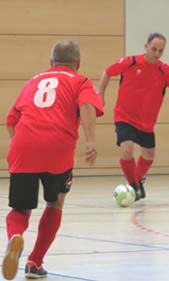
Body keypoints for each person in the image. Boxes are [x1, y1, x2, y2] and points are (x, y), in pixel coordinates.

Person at [2, 39, 104, 280]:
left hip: (24, 144)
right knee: (55, 203)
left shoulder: (34, 80)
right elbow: (88, 106)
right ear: (77, 63)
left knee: (20, 208)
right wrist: (90, 141)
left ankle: (15, 237)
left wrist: (23, 147)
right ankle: (34, 263)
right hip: (57, 148)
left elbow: (10, 120)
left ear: (51, 62)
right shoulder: (80, 81)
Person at [98, 32, 169, 200]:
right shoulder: (131, 62)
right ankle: (134, 187)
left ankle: (136, 180)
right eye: (154, 49)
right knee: (127, 149)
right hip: (124, 116)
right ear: (146, 47)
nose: (157, 54)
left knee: (149, 155)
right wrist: (101, 94)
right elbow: (107, 72)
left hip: (146, 122)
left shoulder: (164, 70)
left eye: (160, 51)